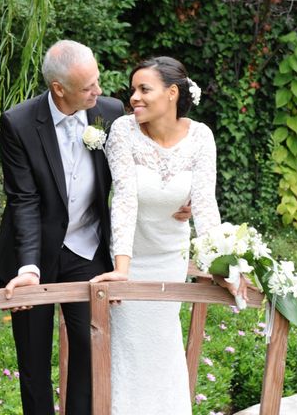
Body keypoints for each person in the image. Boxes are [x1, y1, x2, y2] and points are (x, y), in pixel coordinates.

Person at [0, 41, 191, 415]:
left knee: (90, 348)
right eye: (88, 88)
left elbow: (163, 147)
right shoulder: (18, 123)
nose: (99, 92)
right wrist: (29, 269)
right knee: (33, 360)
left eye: (98, 82)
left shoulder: (110, 113)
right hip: (31, 258)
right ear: (59, 89)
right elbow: (24, 201)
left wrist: (182, 195)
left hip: (87, 250)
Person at [91, 56, 248, 414]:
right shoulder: (123, 131)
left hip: (169, 260)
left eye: (144, 89)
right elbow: (125, 200)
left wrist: (218, 266)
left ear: (172, 93)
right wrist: (122, 268)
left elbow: (206, 206)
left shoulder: (201, 137)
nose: (134, 97)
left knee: (163, 351)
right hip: (130, 261)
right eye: (133, 90)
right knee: (130, 355)